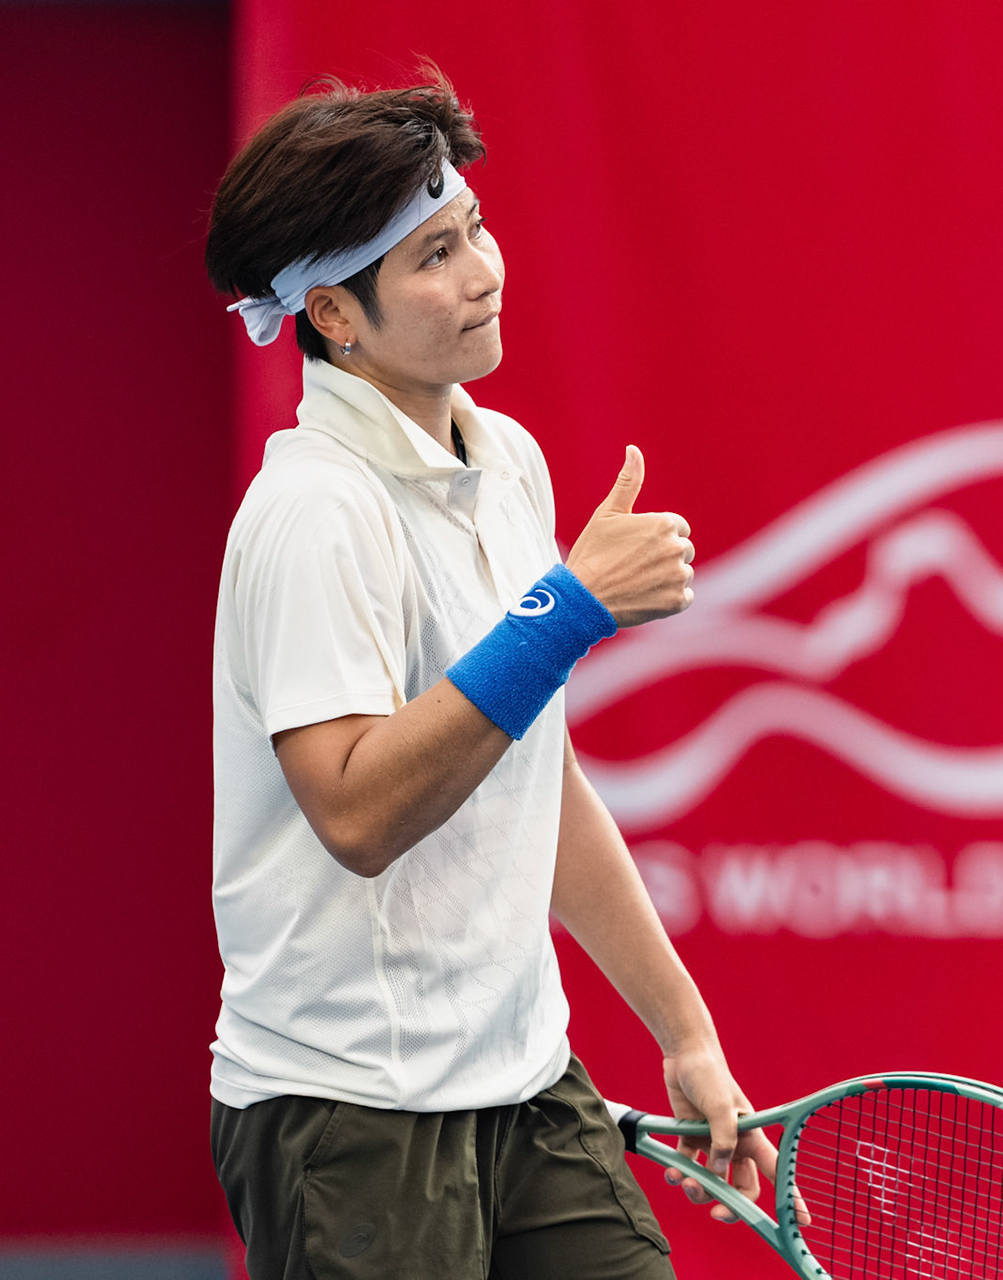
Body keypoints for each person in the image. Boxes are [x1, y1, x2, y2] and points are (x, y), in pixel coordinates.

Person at [204, 71, 766, 1279]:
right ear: (336, 316)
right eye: (432, 256)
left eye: (474, 230)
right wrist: (561, 614)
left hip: (524, 1080)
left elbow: (535, 780)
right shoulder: (309, 514)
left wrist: (685, 1031)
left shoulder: (504, 456)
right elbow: (357, 813)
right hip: (347, 1113)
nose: (483, 272)